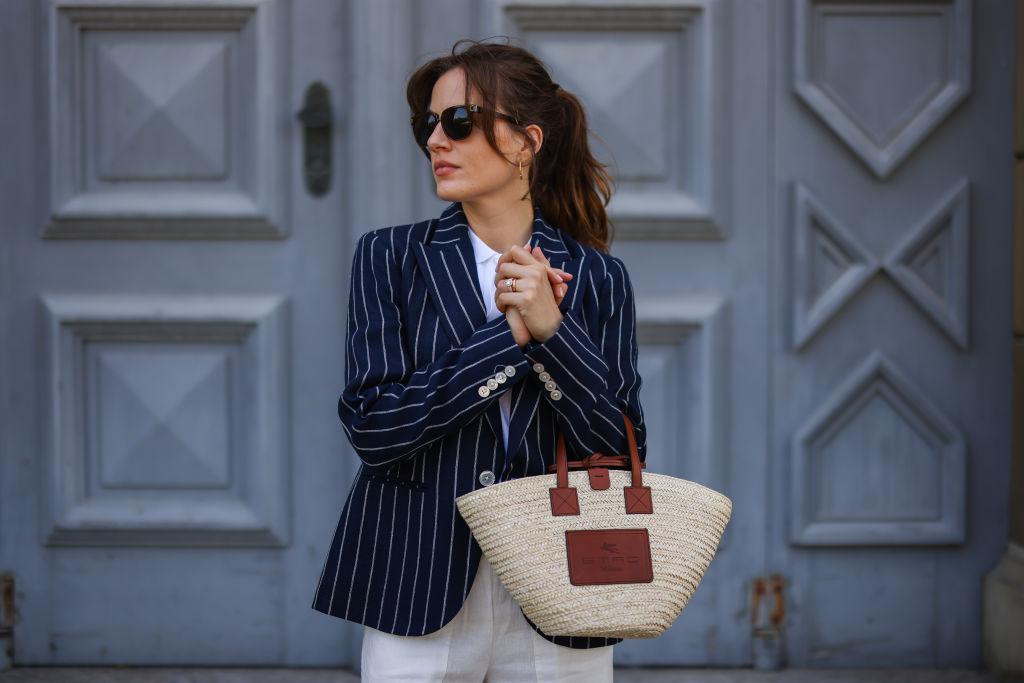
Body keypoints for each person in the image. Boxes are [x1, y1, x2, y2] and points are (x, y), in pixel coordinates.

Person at [312, 39, 645, 682]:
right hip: (419, 577)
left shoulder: (599, 278)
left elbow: (619, 445)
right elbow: (375, 430)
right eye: (427, 125)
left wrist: (553, 332)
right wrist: (509, 337)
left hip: (561, 584)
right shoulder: (390, 257)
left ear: (526, 142)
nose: (436, 140)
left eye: (460, 121)